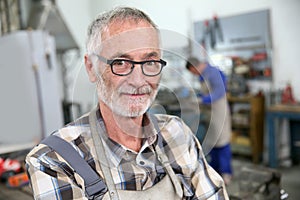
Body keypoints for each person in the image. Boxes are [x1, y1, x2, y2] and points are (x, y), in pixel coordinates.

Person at [25, 7, 229, 199]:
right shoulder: (54, 160)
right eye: (120, 63)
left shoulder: (178, 134)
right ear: (90, 68)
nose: (139, 81)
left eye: (150, 62)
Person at [185, 57, 233, 185]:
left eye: (193, 72)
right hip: (210, 113)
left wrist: (203, 100)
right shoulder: (203, 75)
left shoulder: (213, 72)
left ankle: (226, 172)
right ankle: (215, 171)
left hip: (219, 112)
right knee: (213, 142)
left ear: (195, 67)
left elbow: (220, 91)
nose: (194, 74)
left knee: (222, 142)